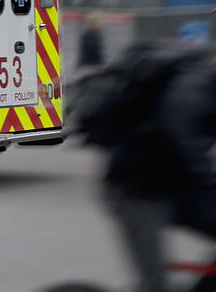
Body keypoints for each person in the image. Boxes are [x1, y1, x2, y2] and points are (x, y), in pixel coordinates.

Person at [89, 44, 216, 292]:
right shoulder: (195, 82)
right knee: (155, 285)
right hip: (135, 189)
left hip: (176, 187)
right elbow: (180, 130)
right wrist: (208, 180)